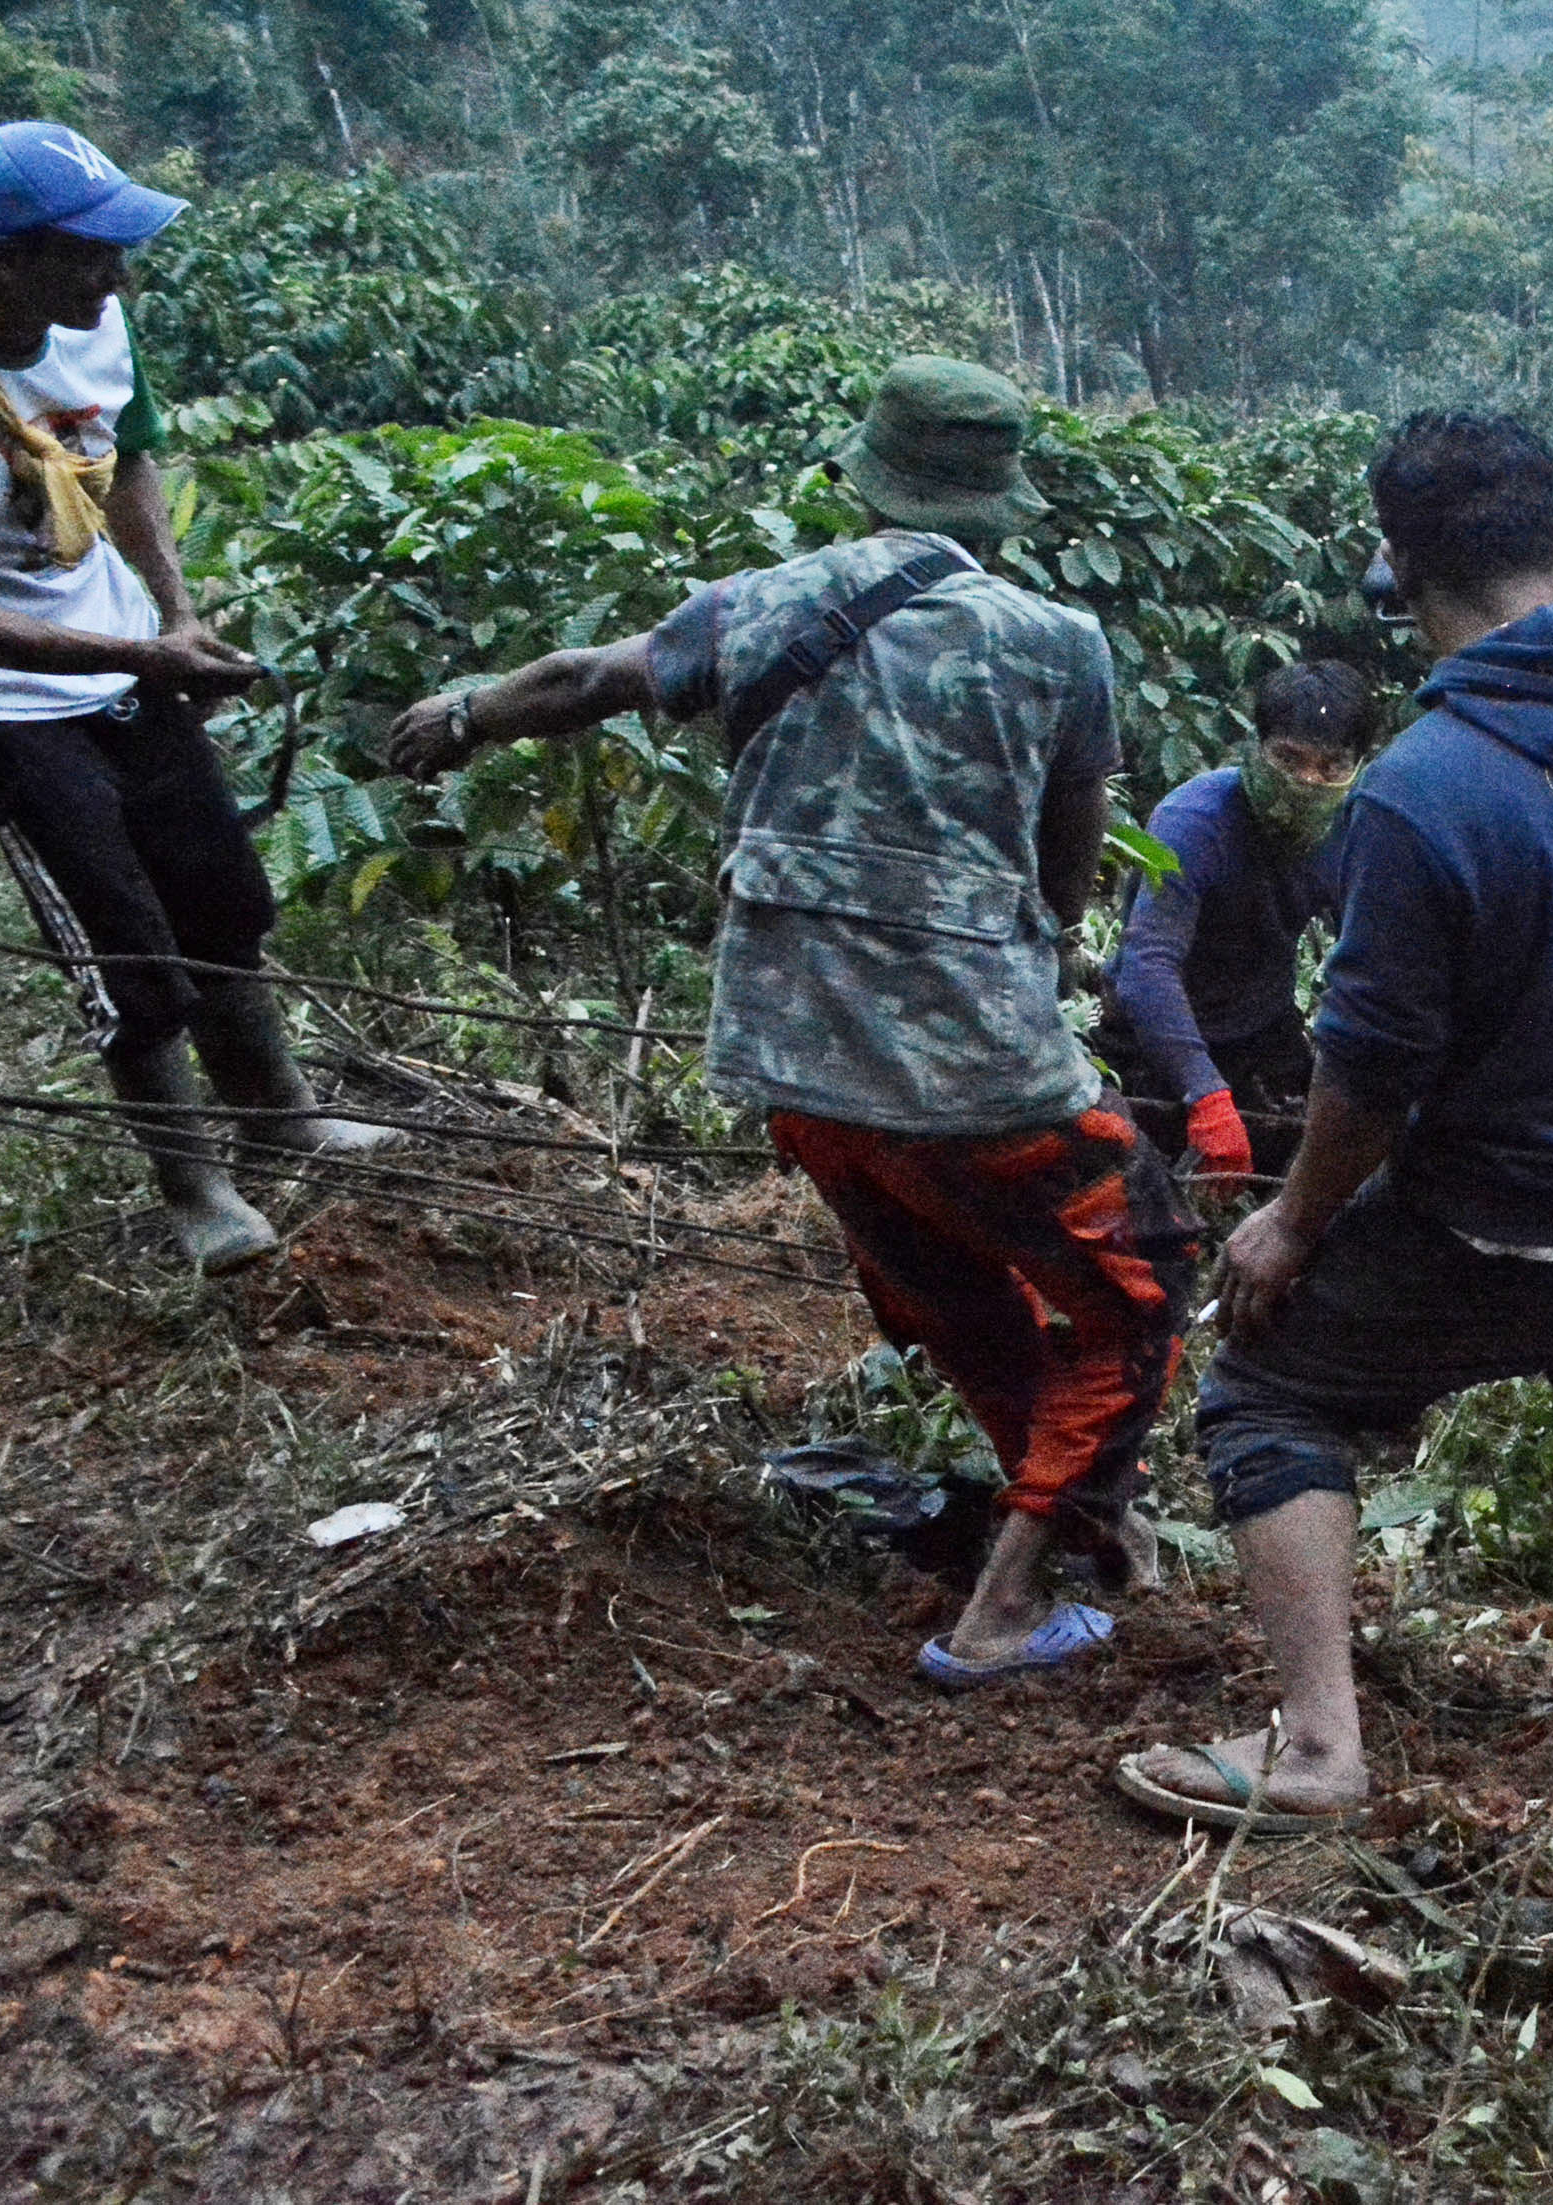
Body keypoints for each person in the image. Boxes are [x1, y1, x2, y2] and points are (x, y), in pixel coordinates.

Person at [385, 358, 1192, 1685]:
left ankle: (1082, 1524)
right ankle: (1005, 1605)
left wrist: (463, 714)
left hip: (797, 1074)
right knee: (1146, 1280)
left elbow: (586, 674)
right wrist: (1034, 963)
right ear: (1000, 504)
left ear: (861, 475)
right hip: (974, 1077)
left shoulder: (755, 605)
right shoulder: (1059, 646)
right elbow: (1065, 866)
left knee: (961, 1293)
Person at [1118, 412, 1553, 1831]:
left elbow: (1369, 1070)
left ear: (1397, 578)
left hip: (1488, 1226)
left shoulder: (1420, 790)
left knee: (1267, 1383)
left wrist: (1291, 1224)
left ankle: (1317, 1755)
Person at [0, 122, 403, 1277]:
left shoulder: (94, 327)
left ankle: (277, 1110)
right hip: (0, 701)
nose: (117, 277)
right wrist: (149, 659)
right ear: (2, 259)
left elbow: (129, 462)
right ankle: (194, 1186)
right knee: (119, 940)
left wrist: (171, 617)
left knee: (218, 890)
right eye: (91, 254)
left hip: (130, 662)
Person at [1099, 658, 1375, 1195]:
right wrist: (1206, 1097)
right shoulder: (1195, 820)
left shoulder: (1351, 828)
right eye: (1288, 759)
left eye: (1330, 766)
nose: (1306, 782)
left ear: (1359, 765)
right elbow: (1147, 967)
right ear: (1256, 747)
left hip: (1261, 1034)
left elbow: (1371, 956)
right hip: (1150, 1037)